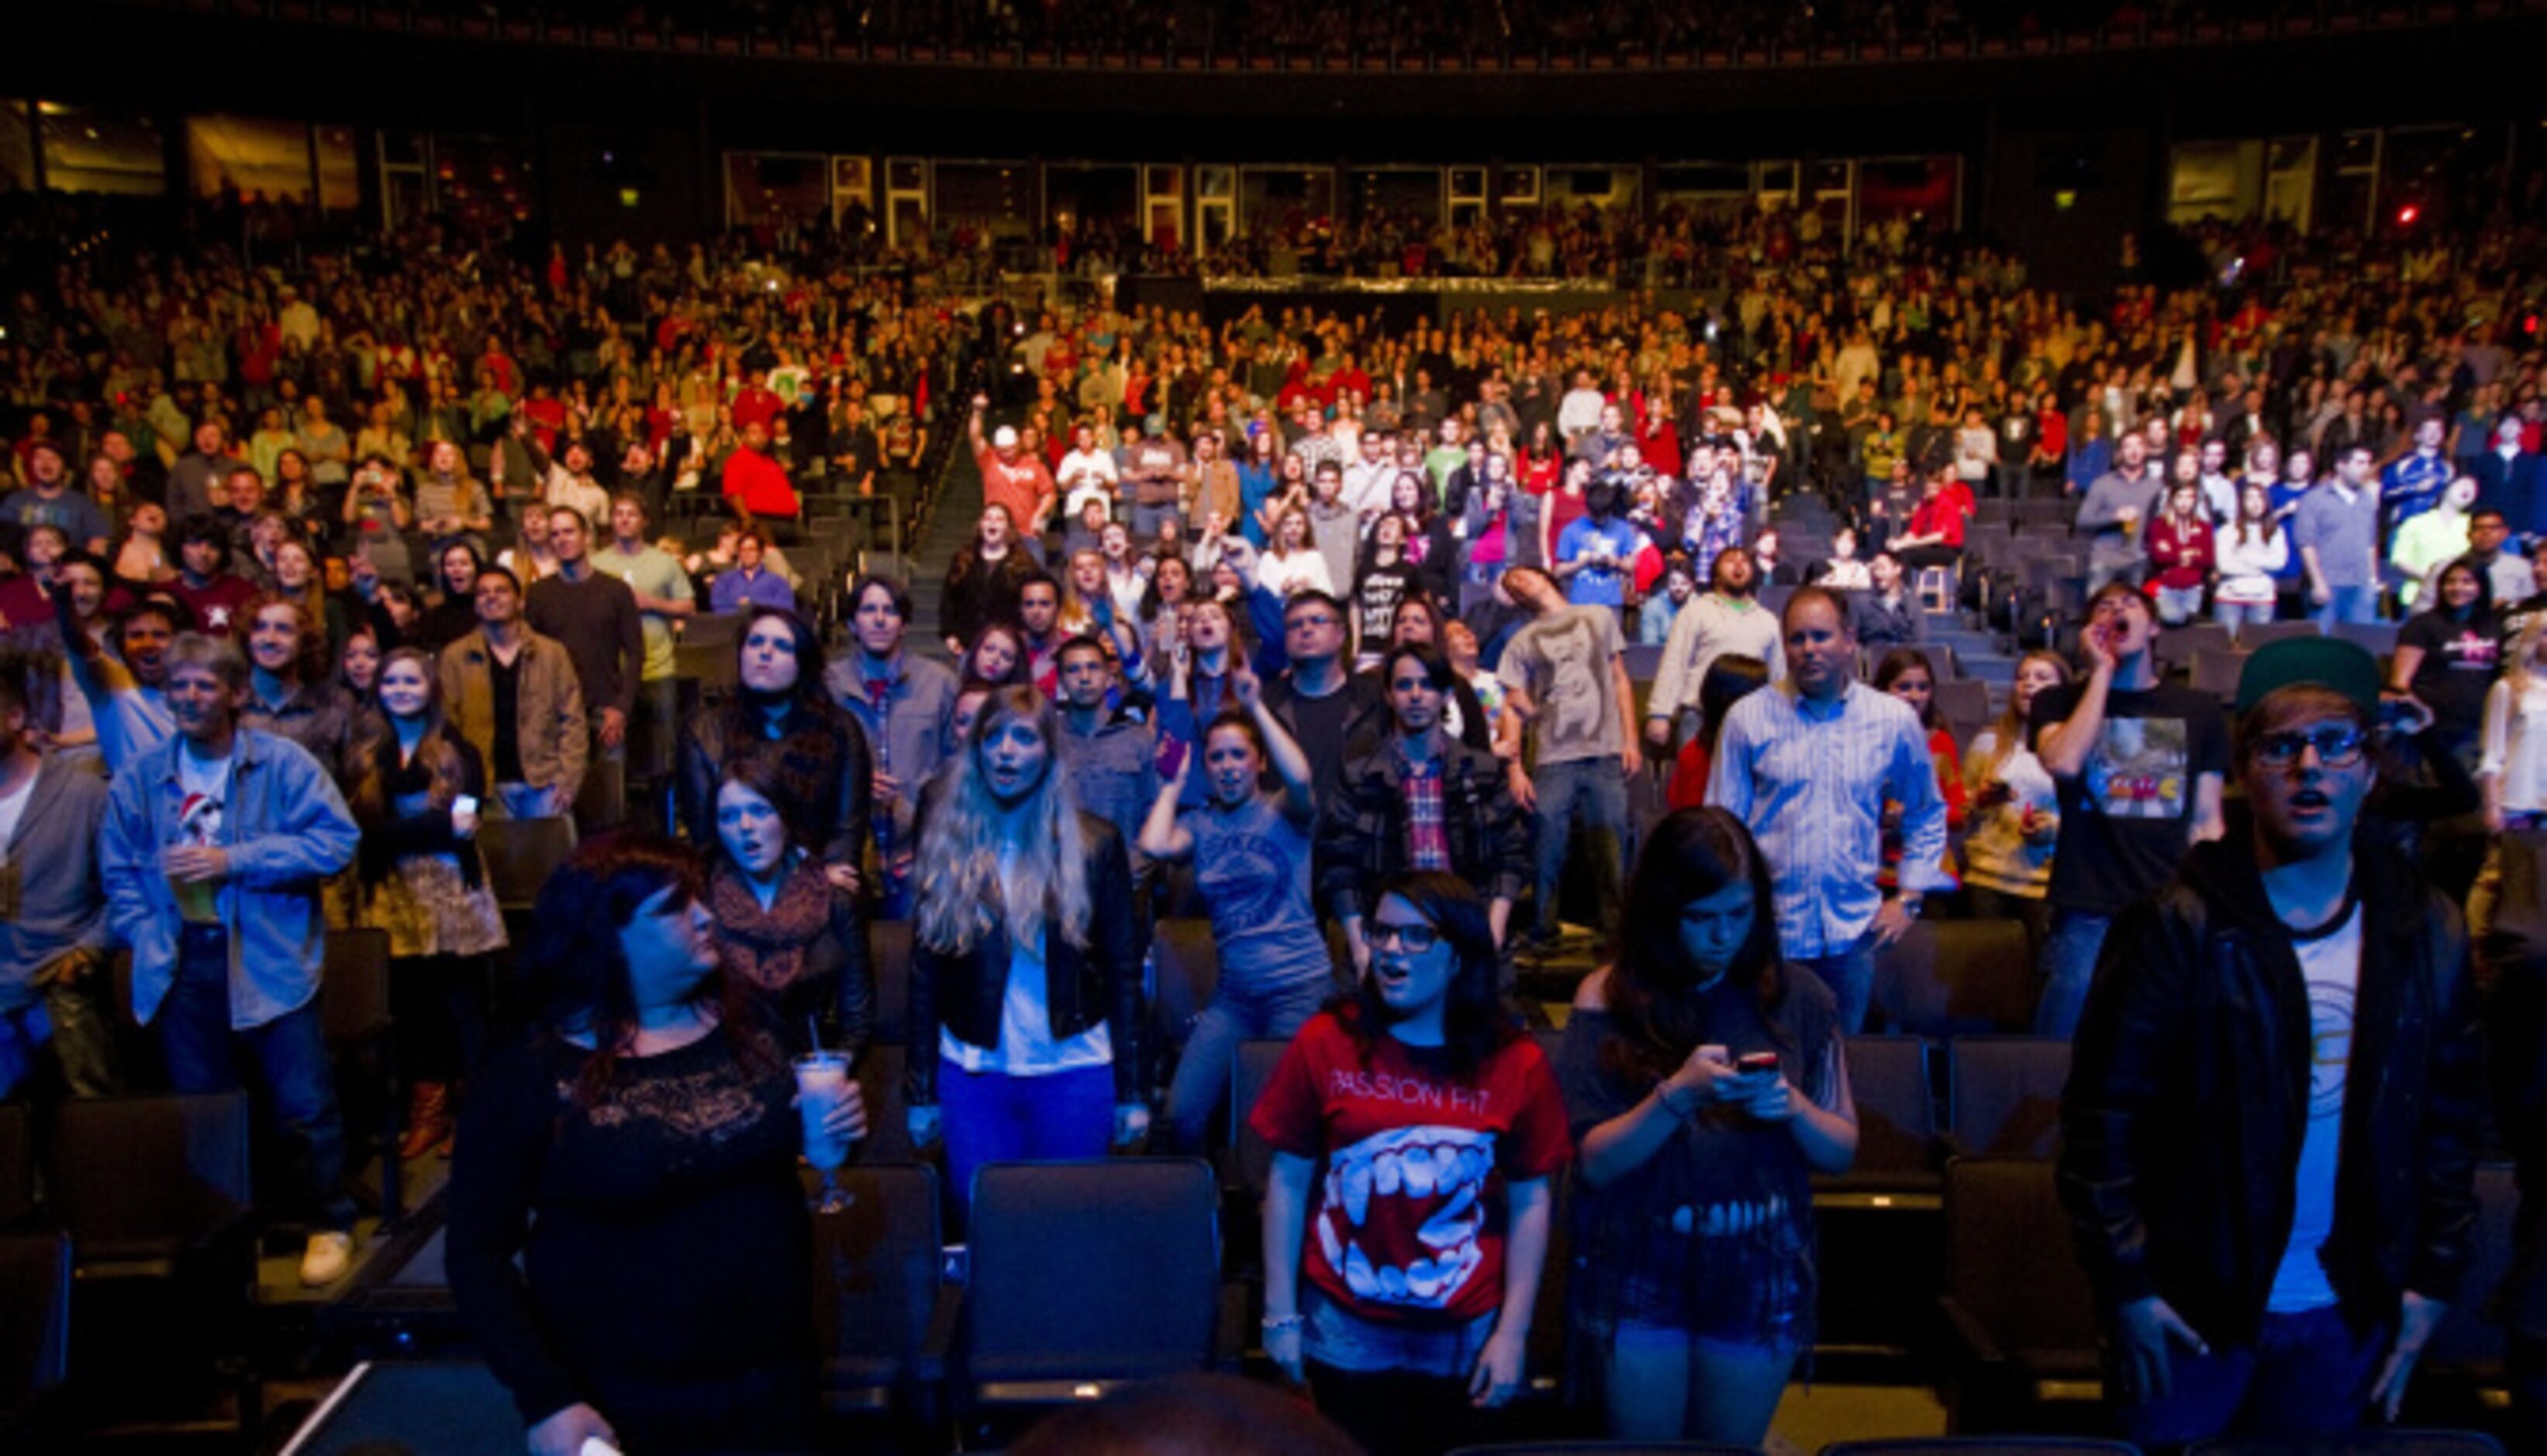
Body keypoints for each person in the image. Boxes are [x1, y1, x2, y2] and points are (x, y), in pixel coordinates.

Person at [2059, 640, 2483, 1450]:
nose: (2307, 767)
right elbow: (2101, 1123)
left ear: (2368, 770)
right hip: (2190, 1306)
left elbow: (2449, 1123)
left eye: (2333, 743)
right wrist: (2127, 1285)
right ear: (2249, 771)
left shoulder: (2426, 928)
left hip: (2346, 1309)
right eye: (2280, 746)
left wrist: (2433, 1279)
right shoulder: (2176, 924)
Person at [447, 835, 865, 1456]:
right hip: (626, 1400)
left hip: (773, 1382)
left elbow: (771, 1166)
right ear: (609, 936)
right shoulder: (530, 1073)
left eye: (700, 897)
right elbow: (476, 1256)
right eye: (675, 909)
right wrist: (546, 1397)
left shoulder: (752, 1028)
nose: (705, 915)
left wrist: (830, 1136)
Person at [1561, 808, 1856, 1444]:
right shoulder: (1606, 996)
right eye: (1700, 918)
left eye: (1738, 915)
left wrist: (1792, 1108)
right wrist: (1676, 1098)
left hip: (1759, 1255)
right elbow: (1594, 1162)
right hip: (1645, 1255)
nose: (1722, 936)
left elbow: (1840, 1148)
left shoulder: (1798, 995)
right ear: (1663, 913)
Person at [1251, 871, 1570, 1456]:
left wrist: (1513, 1333)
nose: (1393, 950)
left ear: (1458, 957)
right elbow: (1288, 1179)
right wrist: (1279, 1315)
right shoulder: (1325, 1041)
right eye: (1382, 934)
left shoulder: (1513, 1060)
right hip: (1345, 1329)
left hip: (1463, 1332)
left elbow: (1531, 1201)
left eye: (1416, 937)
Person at [98, 631, 362, 1287]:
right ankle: (227, 1242)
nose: (188, 697)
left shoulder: (282, 763)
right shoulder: (140, 776)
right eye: (178, 685)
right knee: (206, 1110)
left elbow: (336, 842)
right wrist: (142, 931)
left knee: (302, 1105)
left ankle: (328, 1223)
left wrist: (234, 859)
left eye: (204, 685)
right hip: (181, 955)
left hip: (267, 953)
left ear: (237, 694)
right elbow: (119, 871)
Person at [904, 686, 1147, 1217]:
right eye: (992, 738)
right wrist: (919, 1090)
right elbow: (923, 976)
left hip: (1073, 1073)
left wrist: (1133, 1089)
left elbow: (1122, 972)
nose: (1005, 752)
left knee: (1066, 1230)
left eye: (1023, 737)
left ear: (1050, 753)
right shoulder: (948, 840)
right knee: (987, 1229)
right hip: (973, 1077)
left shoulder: (1095, 844)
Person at [1706, 587, 1950, 1033]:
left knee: (1835, 1074)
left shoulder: (1892, 719)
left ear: (1849, 640)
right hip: (1769, 936)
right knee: (1764, 1069)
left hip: (1851, 936)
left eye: (1821, 636)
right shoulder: (1747, 719)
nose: (1809, 650)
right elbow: (1722, 828)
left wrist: (1910, 897)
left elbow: (1927, 812)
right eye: (1797, 639)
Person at [1141, 661, 1337, 1153]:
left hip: (1299, 989)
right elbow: (1155, 845)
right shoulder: (1203, 825)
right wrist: (1173, 781)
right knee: (1181, 1115)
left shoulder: (1282, 812)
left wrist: (1254, 707)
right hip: (1235, 997)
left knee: (1272, 1125)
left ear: (1258, 762)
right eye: (1217, 758)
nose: (1227, 767)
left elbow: (1302, 776)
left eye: (1238, 756)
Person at [2029, 582, 2230, 1036]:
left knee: (2168, 1039)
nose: (2117, 610)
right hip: (2087, 905)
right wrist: (2100, 674)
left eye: (2129, 604)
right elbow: (2063, 762)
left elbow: (2206, 820)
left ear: (2154, 625)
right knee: (2063, 1038)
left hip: (2170, 901)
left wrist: (2216, 897)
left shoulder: (2198, 711)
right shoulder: (2057, 701)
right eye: (2104, 607)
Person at [347, 647, 507, 1159]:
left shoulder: (459, 749)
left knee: (463, 1004)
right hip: (393, 893)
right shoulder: (364, 750)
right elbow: (358, 830)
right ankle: (429, 1113)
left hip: (450, 890)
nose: (400, 690)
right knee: (412, 1007)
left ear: (430, 688)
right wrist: (422, 829)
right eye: (391, 681)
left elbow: (463, 824)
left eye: (411, 681)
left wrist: (394, 832)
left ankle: (477, 1113)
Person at [1318, 644, 1531, 973]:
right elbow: (1339, 866)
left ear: (1447, 695)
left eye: (1428, 684)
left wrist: (1493, 931)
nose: (1416, 695)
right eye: (1404, 685)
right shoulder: (1360, 776)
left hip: (1463, 932)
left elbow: (1510, 856)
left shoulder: (1481, 771)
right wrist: (1361, 949)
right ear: (1389, 696)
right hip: (1388, 938)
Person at [1495, 564, 1643, 946]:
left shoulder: (1597, 616)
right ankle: (1544, 927)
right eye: (1512, 586)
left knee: (1610, 844)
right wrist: (1514, 770)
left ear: (1545, 577)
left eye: (1523, 577)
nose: (1519, 585)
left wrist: (1631, 739)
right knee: (1547, 846)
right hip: (1552, 755)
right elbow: (1511, 704)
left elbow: (1619, 679)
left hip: (1604, 748)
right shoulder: (1521, 641)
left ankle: (1616, 933)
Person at [0, 647, 121, 1099]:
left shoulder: (84, 794)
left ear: (15, 718)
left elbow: (127, 893)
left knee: (89, 1143)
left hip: (64, 998)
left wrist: (88, 951)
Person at [706, 749, 874, 1061]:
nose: (745, 826)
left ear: (784, 818)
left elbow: (857, 1021)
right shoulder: (703, 906)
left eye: (759, 811)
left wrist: (827, 1075)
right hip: (727, 1078)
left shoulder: (831, 900)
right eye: (728, 816)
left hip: (814, 1071)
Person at [676, 607, 872, 871]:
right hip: (734, 878)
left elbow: (847, 833)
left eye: (781, 646)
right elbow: (706, 838)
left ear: (803, 663)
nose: (764, 652)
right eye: (755, 643)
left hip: (820, 879)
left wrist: (812, 882)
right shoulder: (704, 729)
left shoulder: (840, 728)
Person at [825, 574, 960, 919]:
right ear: (853, 623)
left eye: (890, 610)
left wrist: (931, 840)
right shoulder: (828, 685)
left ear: (904, 624)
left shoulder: (940, 682)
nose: (880, 619)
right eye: (869, 610)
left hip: (918, 856)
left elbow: (957, 770)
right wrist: (854, 781)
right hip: (849, 857)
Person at [525, 506, 644, 832]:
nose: (562, 539)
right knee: (561, 809)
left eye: (569, 531)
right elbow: (530, 658)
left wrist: (621, 707)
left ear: (586, 536)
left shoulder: (616, 591)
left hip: (604, 711)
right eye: (555, 533)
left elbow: (635, 653)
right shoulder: (538, 595)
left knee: (608, 809)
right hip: (556, 715)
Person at [438, 566, 588, 823]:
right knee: (497, 862)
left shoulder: (552, 653)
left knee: (548, 860)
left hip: (543, 781)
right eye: (483, 593)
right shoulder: (455, 656)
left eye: (501, 591)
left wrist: (569, 778)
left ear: (520, 602)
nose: (491, 597)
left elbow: (572, 718)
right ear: (475, 605)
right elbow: (446, 724)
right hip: (484, 784)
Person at [1961, 650, 2073, 956]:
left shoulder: (2075, 748)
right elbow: (1961, 807)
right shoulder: (1989, 742)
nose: (2028, 684)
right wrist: (1981, 799)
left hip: (2044, 884)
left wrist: (2052, 827)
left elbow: (2089, 818)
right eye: (2022, 677)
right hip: (1987, 878)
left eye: (2041, 678)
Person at [1645, 546, 1784, 752]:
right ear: (1716, 576)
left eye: (1744, 561)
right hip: (1700, 718)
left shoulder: (1768, 620)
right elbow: (1675, 662)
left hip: (1752, 721)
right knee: (1697, 783)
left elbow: (1779, 675)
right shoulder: (1696, 612)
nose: (1738, 565)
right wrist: (1660, 713)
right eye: (1730, 561)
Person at [2391, 556, 2500, 767]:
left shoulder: (2494, 625)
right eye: (2450, 581)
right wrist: (2420, 716)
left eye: (2467, 581)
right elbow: (2399, 682)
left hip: (2480, 728)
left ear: (2481, 586)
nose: (2457, 588)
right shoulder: (2423, 625)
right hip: (2434, 730)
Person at [2294, 444, 2385, 628]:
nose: (2365, 469)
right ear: (2341, 465)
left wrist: (2372, 579)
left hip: (2360, 585)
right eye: (2359, 463)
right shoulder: (2315, 499)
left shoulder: (2367, 499)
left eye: (2368, 463)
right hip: (2329, 584)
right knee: (2324, 648)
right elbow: (2306, 543)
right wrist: (2317, 581)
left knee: (2360, 646)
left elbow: (2370, 542)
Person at [940, 505, 1038, 657]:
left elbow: (1031, 604)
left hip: (1007, 647)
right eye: (988, 518)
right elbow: (949, 599)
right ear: (981, 525)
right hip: (969, 645)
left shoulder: (1023, 565)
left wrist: (1024, 635)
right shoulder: (963, 560)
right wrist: (950, 634)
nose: (993, 523)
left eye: (999, 519)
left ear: (1008, 528)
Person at [2076, 433, 2161, 592]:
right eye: (2128, 446)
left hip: (2138, 559)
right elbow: (2083, 519)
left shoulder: (2156, 486)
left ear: (2146, 450)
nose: (2133, 451)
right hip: (2105, 558)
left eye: (2138, 445)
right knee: (2098, 610)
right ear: (2120, 452)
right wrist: (2114, 516)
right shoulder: (2103, 484)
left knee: (2135, 614)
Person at [2214, 482, 2290, 630]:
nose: (2255, 503)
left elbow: (2278, 562)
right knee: (2226, 647)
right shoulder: (2228, 530)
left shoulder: (2275, 531)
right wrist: (2258, 569)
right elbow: (2224, 565)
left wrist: (2244, 557)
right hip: (2230, 597)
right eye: (2250, 498)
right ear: (2242, 502)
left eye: (2260, 498)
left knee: (2258, 645)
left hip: (2263, 597)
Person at [2145, 472, 2216, 626]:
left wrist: (2172, 552)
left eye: (2189, 497)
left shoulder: (2204, 527)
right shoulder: (2159, 526)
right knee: (2173, 618)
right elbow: (2159, 557)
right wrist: (2188, 553)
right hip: (2167, 588)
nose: (2184, 502)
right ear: (2172, 499)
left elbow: (2208, 558)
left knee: (2188, 634)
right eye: (2180, 497)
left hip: (2193, 588)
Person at [709, 528, 796, 613]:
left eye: (751, 550)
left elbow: (786, 607)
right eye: (742, 550)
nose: (746, 554)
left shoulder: (777, 582)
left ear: (761, 553)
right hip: (733, 624)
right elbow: (719, 606)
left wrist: (753, 603)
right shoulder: (724, 580)